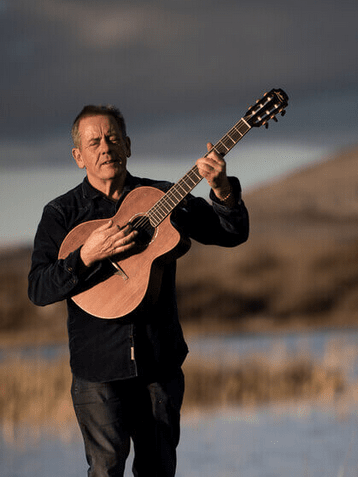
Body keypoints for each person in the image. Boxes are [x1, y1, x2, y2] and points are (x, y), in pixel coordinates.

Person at [28, 105, 249, 476]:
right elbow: (38, 288)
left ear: (128, 145)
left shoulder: (163, 196)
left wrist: (222, 189)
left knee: (158, 470)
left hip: (158, 361)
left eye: (113, 138)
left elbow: (231, 233)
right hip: (97, 368)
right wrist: (86, 256)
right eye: (94, 142)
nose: (106, 147)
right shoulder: (61, 213)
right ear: (78, 157)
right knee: (106, 469)